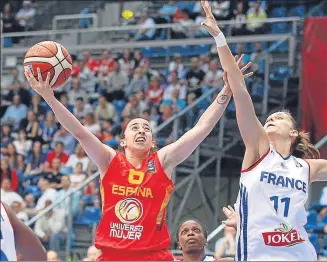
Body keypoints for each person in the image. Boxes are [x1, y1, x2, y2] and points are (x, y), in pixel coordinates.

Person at [200, 0, 327, 260]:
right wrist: (219, 37)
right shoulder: (257, 148)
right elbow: (240, 89)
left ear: (293, 133)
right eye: (270, 118)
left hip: (299, 253)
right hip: (258, 254)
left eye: (279, 117)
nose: (271, 119)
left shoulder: (307, 168)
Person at [24, 59, 253, 261]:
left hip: (153, 255)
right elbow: (80, 132)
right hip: (112, 255)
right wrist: (49, 97)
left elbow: (201, 128)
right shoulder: (108, 159)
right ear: (123, 141)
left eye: (146, 128)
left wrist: (226, 90)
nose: (141, 131)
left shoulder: (163, 161)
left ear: (153, 142)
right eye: (135, 128)